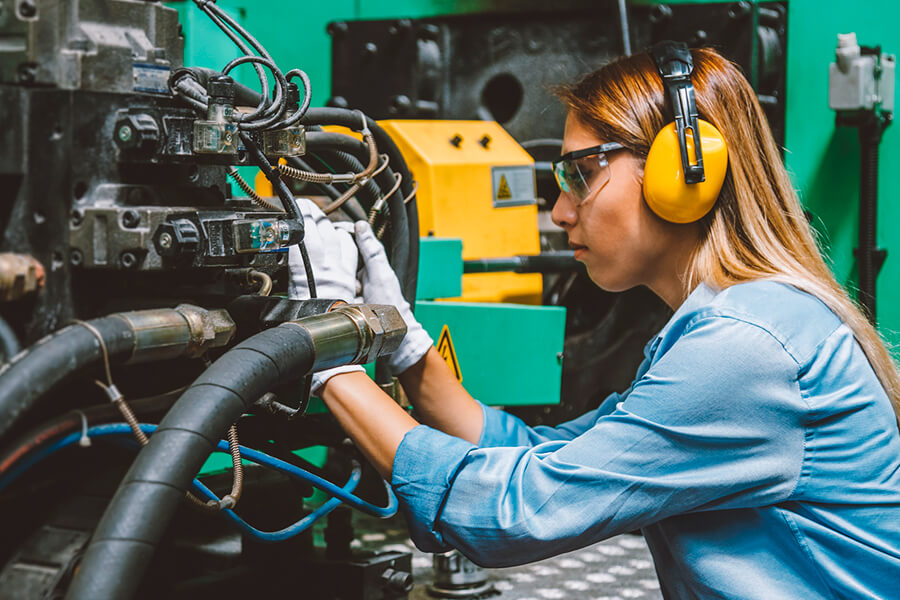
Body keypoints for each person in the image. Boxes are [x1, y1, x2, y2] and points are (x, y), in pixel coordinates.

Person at [289, 43, 900, 598]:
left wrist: (330, 347)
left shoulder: (745, 349)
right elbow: (543, 455)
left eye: (578, 175)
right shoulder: (738, 322)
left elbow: (510, 513)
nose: (558, 212)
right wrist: (406, 348)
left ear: (683, 172)